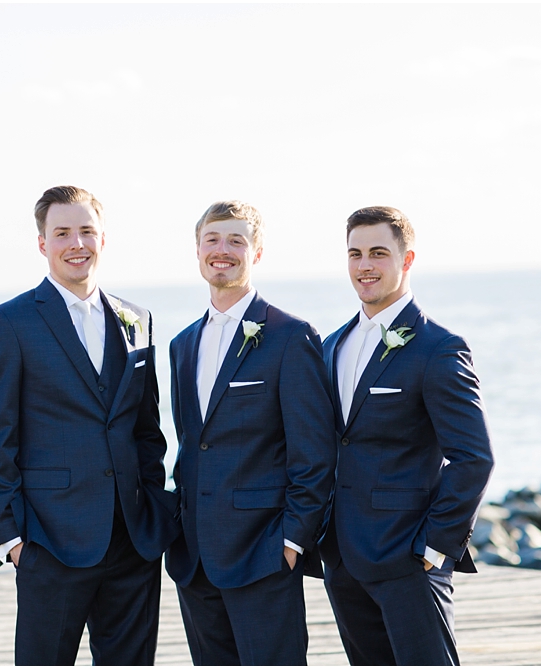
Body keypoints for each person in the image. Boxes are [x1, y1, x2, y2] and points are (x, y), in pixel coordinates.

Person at [0, 185, 180, 665]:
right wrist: (12, 540)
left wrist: (152, 505)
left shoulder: (137, 318)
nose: (77, 243)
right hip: (50, 542)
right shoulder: (10, 322)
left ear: (103, 238)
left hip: (133, 541)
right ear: (42, 243)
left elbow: (147, 428)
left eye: (87, 231)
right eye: (62, 232)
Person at [319, 206, 495, 665]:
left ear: (407, 259)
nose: (365, 265)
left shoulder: (439, 348)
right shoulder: (331, 345)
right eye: (355, 254)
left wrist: (435, 547)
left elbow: (474, 458)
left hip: (408, 560)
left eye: (378, 253)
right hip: (342, 561)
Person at [165, 201, 336, 665]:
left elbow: (314, 452)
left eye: (236, 240)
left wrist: (292, 540)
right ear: (197, 250)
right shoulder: (183, 345)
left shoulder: (290, 336)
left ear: (256, 252)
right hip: (194, 560)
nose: (222, 250)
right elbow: (191, 447)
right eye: (212, 239)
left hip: (264, 554)